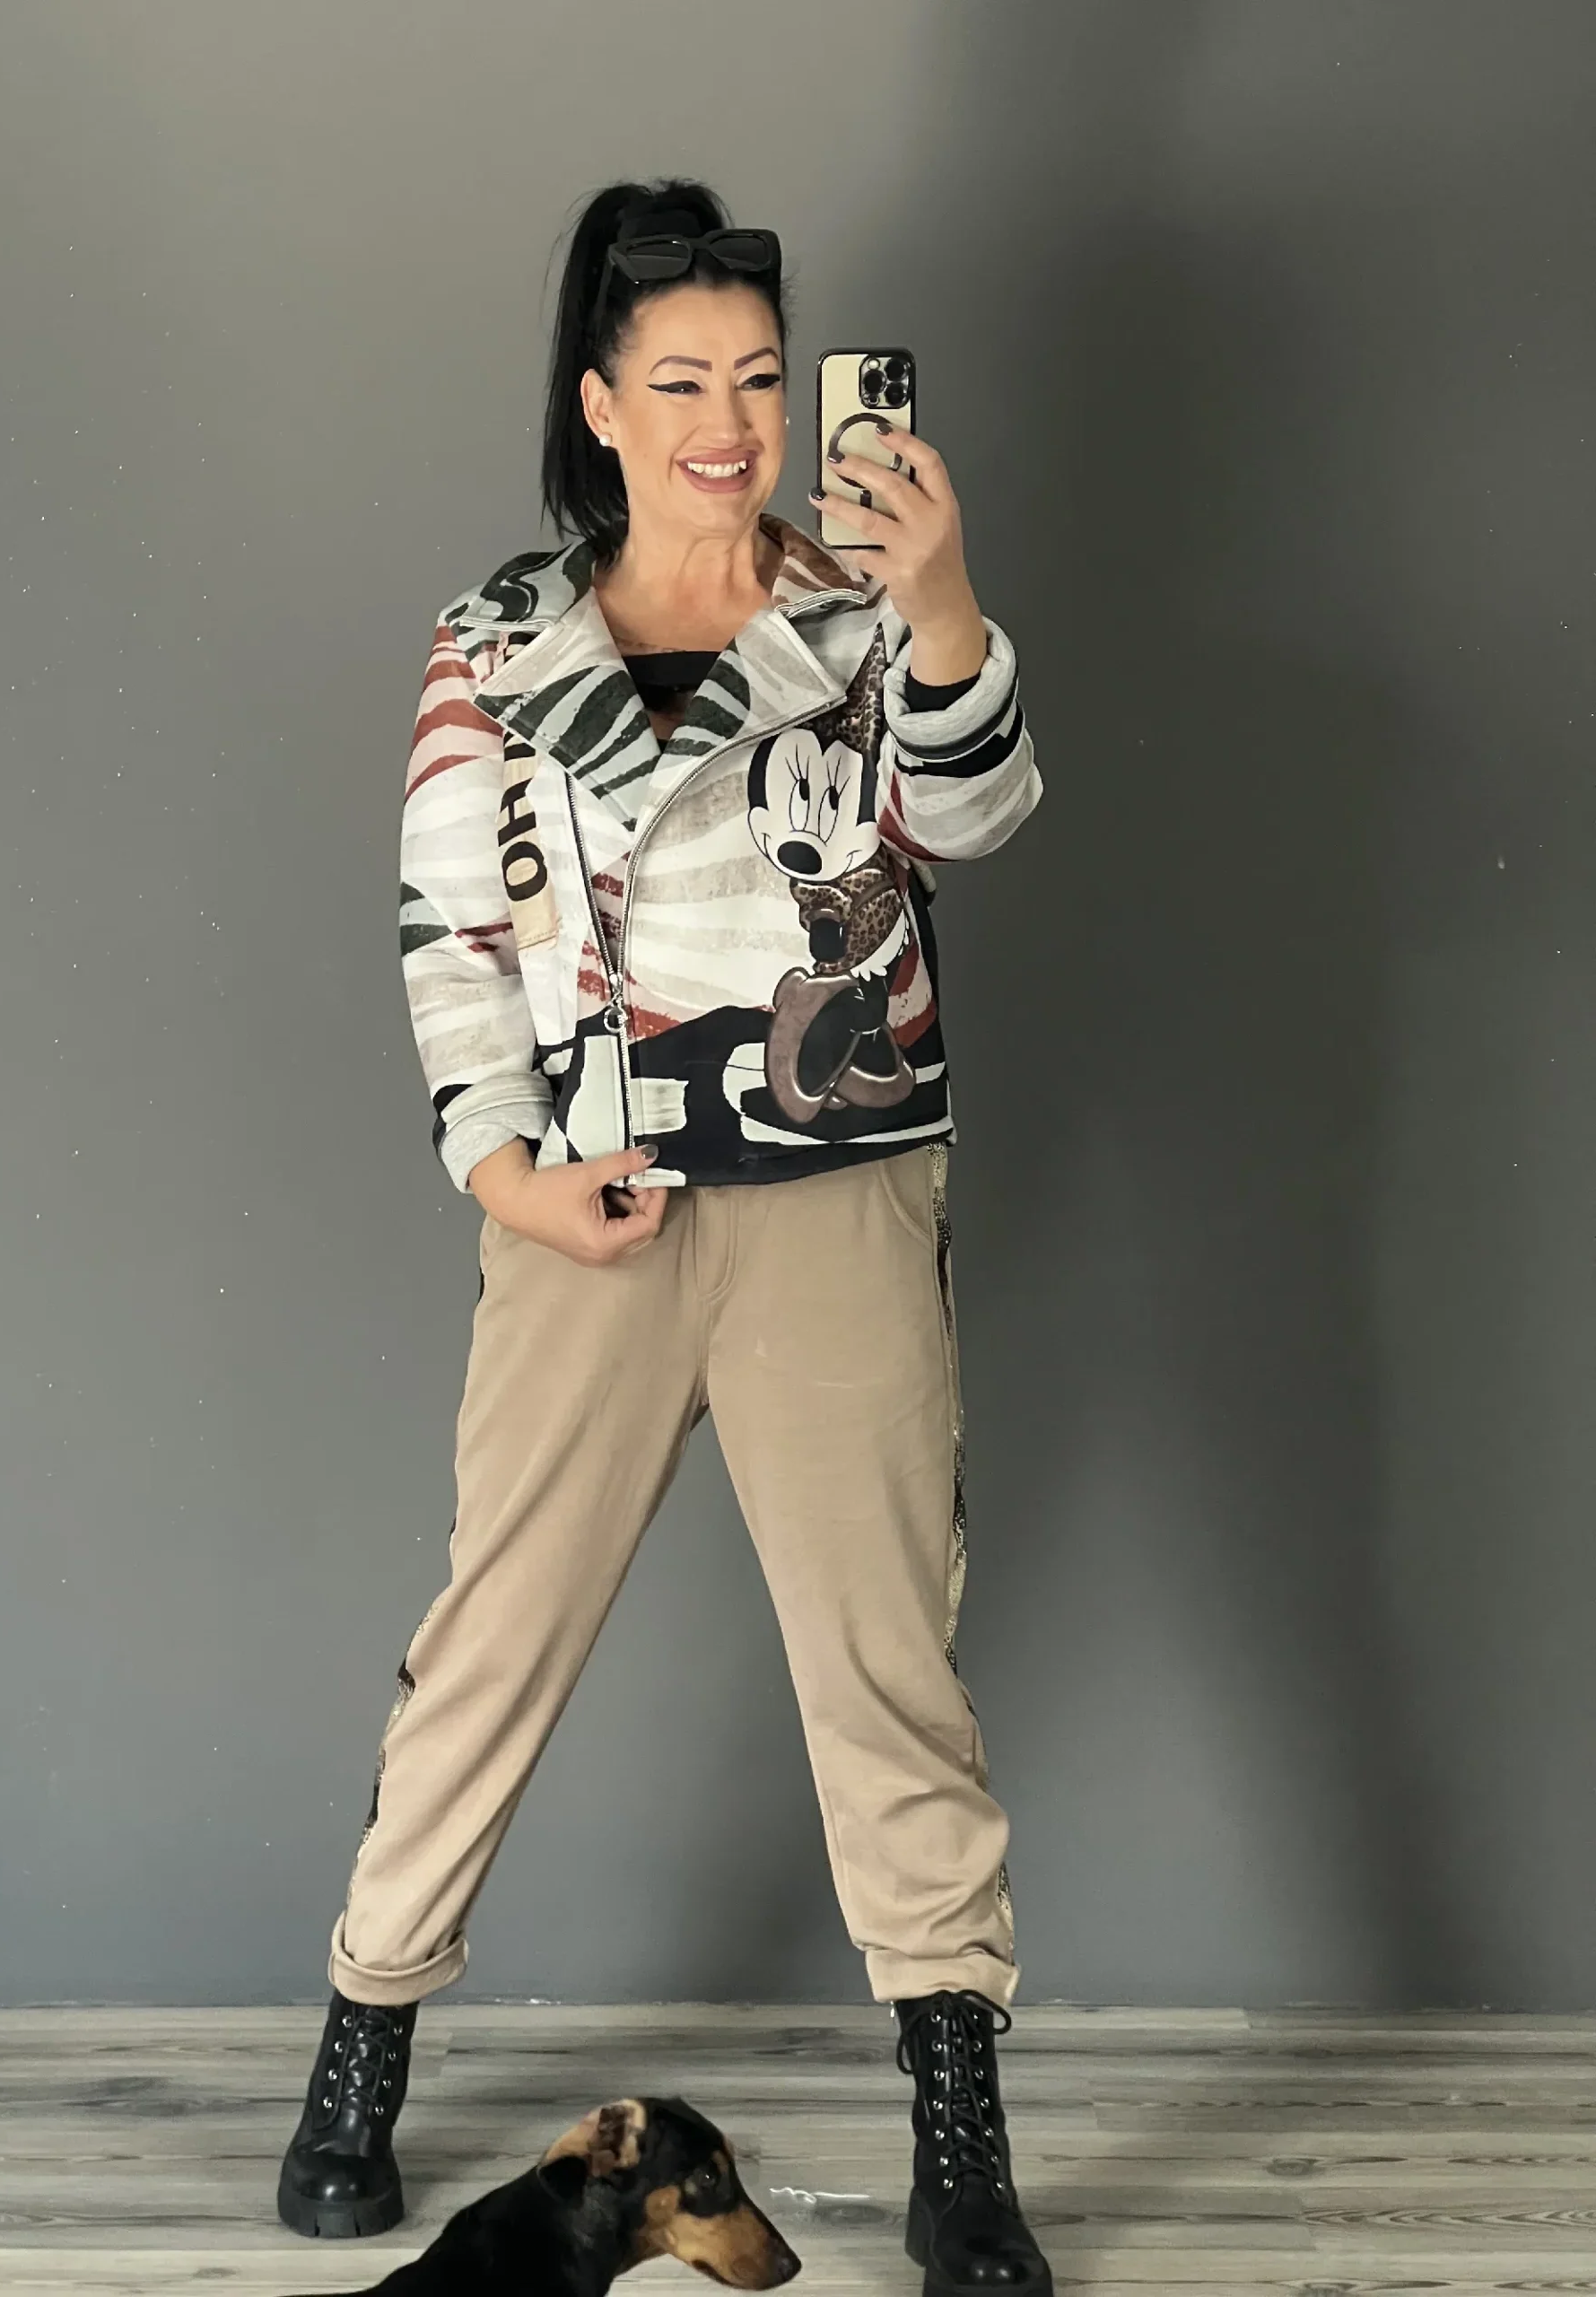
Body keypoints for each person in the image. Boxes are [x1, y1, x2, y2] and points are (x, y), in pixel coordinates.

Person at [276, 177, 1053, 2297]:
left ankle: (960, 2124)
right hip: (590, 1210)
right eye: (684, 380)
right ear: (601, 402)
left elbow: (982, 815)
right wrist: (503, 1171)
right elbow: (453, 935)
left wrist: (948, 600)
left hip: (839, 1189)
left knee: (889, 1659)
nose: (732, 422)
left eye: (763, 379)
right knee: (493, 1634)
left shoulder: (866, 604)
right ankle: (363, 2032)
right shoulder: (495, 637)